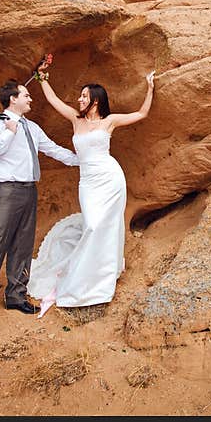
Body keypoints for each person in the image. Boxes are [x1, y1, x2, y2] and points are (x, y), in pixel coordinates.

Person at [27, 61, 155, 317]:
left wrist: (150, 87)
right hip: (88, 182)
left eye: (84, 96)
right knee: (92, 224)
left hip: (110, 178)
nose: (79, 99)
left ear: (95, 100)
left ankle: (102, 274)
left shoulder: (110, 121)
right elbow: (53, 101)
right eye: (80, 95)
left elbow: (141, 114)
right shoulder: (76, 120)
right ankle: (86, 271)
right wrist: (41, 79)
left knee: (106, 225)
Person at [0, 80, 80, 331]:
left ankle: (16, 297)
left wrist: (83, 160)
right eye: (26, 95)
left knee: (23, 245)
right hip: (5, 191)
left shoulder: (33, 127)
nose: (30, 99)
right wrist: (8, 132)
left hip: (29, 190)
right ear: (12, 99)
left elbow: (53, 150)